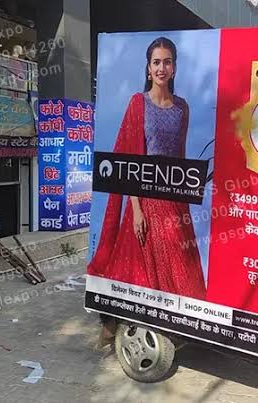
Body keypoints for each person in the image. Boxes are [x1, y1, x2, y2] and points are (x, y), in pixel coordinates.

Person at [88, 37, 207, 299]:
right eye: (156, 62)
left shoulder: (182, 108)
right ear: (148, 68)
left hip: (173, 199)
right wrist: (137, 210)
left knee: (182, 272)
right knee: (144, 273)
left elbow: (180, 157)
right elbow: (130, 159)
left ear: (174, 68)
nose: (161, 68)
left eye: (167, 62)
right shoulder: (138, 103)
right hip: (145, 200)